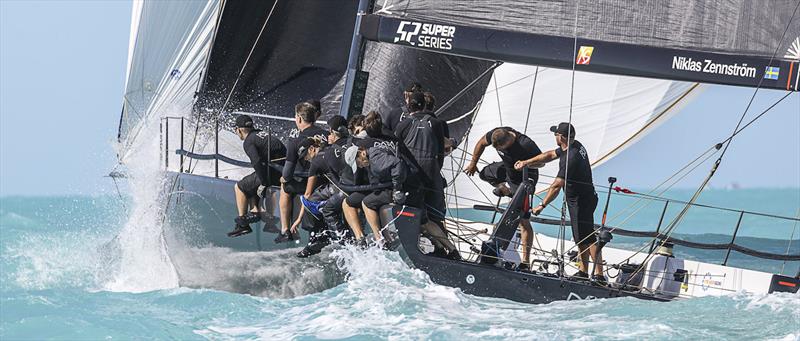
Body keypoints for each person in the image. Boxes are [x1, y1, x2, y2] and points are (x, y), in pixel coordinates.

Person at [515, 122, 604, 282]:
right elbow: (549, 155)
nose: (554, 136)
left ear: (562, 137)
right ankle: (584, 272)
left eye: (556, 134)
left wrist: (542, 205)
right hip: (584, 198)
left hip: (580, 201)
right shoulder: (574, 145)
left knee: (587, 237)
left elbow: (556, 186)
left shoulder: (571, 158)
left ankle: (599, 275)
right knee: (581, 237)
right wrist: (526, 162)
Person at [463, 126, 543, 269]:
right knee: (485, 173)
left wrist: (526, 163)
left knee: (523, 221)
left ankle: (525, 262)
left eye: (503, 148)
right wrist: (473, 163)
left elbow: (542, 162)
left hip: (524, 178)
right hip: (508, 170)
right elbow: (482, 142)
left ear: (509, 140)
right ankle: (505, 190)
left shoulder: (525, 144)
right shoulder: (497, 133)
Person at [395, 91, 459, 259]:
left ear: (409, 106)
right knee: (435, 216)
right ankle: (447, 251)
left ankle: (436, 248)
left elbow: (397, 152)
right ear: (424, 105)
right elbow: (440, 151)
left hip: (412, 177)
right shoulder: (437, 123)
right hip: (432, 174)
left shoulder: (403, 124)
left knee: (417, 214)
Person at [276, 101, 328, 243]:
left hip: (307, 184)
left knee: (285, 187)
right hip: (325, 183)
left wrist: (283, 179)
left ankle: (285, 230)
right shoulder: (327, 135)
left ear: (299, 118)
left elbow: (287, 174)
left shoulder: (294, 141)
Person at [228, 115, 287, 237]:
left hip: (274, 173)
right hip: (283, 170)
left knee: (240, 186)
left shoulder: (248, 141)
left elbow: (256, 161)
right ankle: (255, 210)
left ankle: (242, 225)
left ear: (238, 130)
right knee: (250, 182)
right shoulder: (260, 134)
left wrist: (264, 183)